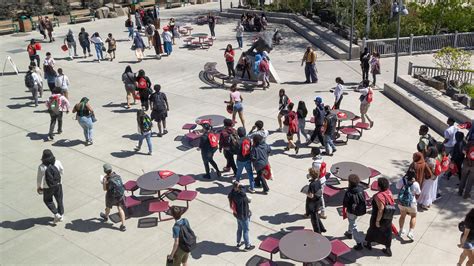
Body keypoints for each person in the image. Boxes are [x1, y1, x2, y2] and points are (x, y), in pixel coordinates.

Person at [364, 177, 395, 256]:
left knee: (372, 230)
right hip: (388, 217)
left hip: (378, 217)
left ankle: (368, 244)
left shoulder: (379, 196)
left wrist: (377, 221)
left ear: (379, 187)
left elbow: (380, 209)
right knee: (387, 233)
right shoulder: (389, 192)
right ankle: (388, 249)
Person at [37, 149, 64, 223]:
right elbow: (62, 170)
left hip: (48, 187)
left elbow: (39, 178)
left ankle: (56, 213)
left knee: (47, 200)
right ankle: (61, 215)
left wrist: (39, 187)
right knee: (59, 200)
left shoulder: (41, 167)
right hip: (58, 184)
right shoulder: (57, 162)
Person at [228, 181, 255, 250]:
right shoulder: (241, 195)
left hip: (237, 215)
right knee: (245, 230)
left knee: (239, 229)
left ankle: (238, 242)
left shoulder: (232, 194)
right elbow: (244, 191)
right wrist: (241, 186)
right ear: (237, 187)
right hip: (243, 215)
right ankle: (247, 246)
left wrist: (238, 185)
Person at [99, 164, 126, 232]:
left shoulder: (108, 180)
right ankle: (123, 226)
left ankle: (105, 216)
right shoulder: (117, 176)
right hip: (120, 195)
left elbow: (105, 189)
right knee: (120, 209)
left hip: (111, 197)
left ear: (105, 171)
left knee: (108, 207)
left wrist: (104, 182)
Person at [343, 174, 367, 250]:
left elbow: (345, 203)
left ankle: (359, 243)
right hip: (360, 210)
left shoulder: (349, 192)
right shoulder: (361, 189)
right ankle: (349, 233)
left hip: (351, 211)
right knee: (352, 221)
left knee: (353, 224)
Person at [396, 168, 421, 241]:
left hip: (401, 202)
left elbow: (397, 186)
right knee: (413, 216)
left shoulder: (402, 181)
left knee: (402, 216)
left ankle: (400, 231)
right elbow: (418, 193)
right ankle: (410, 232)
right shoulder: (415, 183)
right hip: (411, 203)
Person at [306, 168, 326, 233]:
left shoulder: (312, 184)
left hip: (312, 204)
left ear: (311, 175)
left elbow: (311, 196)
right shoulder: (318, 181)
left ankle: (318, 232)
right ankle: (322, 228)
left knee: (314, 220)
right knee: (316, 215)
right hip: (318, 202)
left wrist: (306, 193)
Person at [235, 127, 255, 192]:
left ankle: (237, 183)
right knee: (250, 173)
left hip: (240, 159)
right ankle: (252, 187)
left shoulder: (238, 141)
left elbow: (236, 151)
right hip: (248, 158)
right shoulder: (248, 139)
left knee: (239, 172)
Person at [310, 147, 327, 219]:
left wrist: (309, 176)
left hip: (318, 182)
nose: (310, 153)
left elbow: (315, 173)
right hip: (323, 180)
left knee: (318, 197)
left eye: (311, 152)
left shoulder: (315, 163)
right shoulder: (321, 159)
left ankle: (322, 212)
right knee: (319, 197)